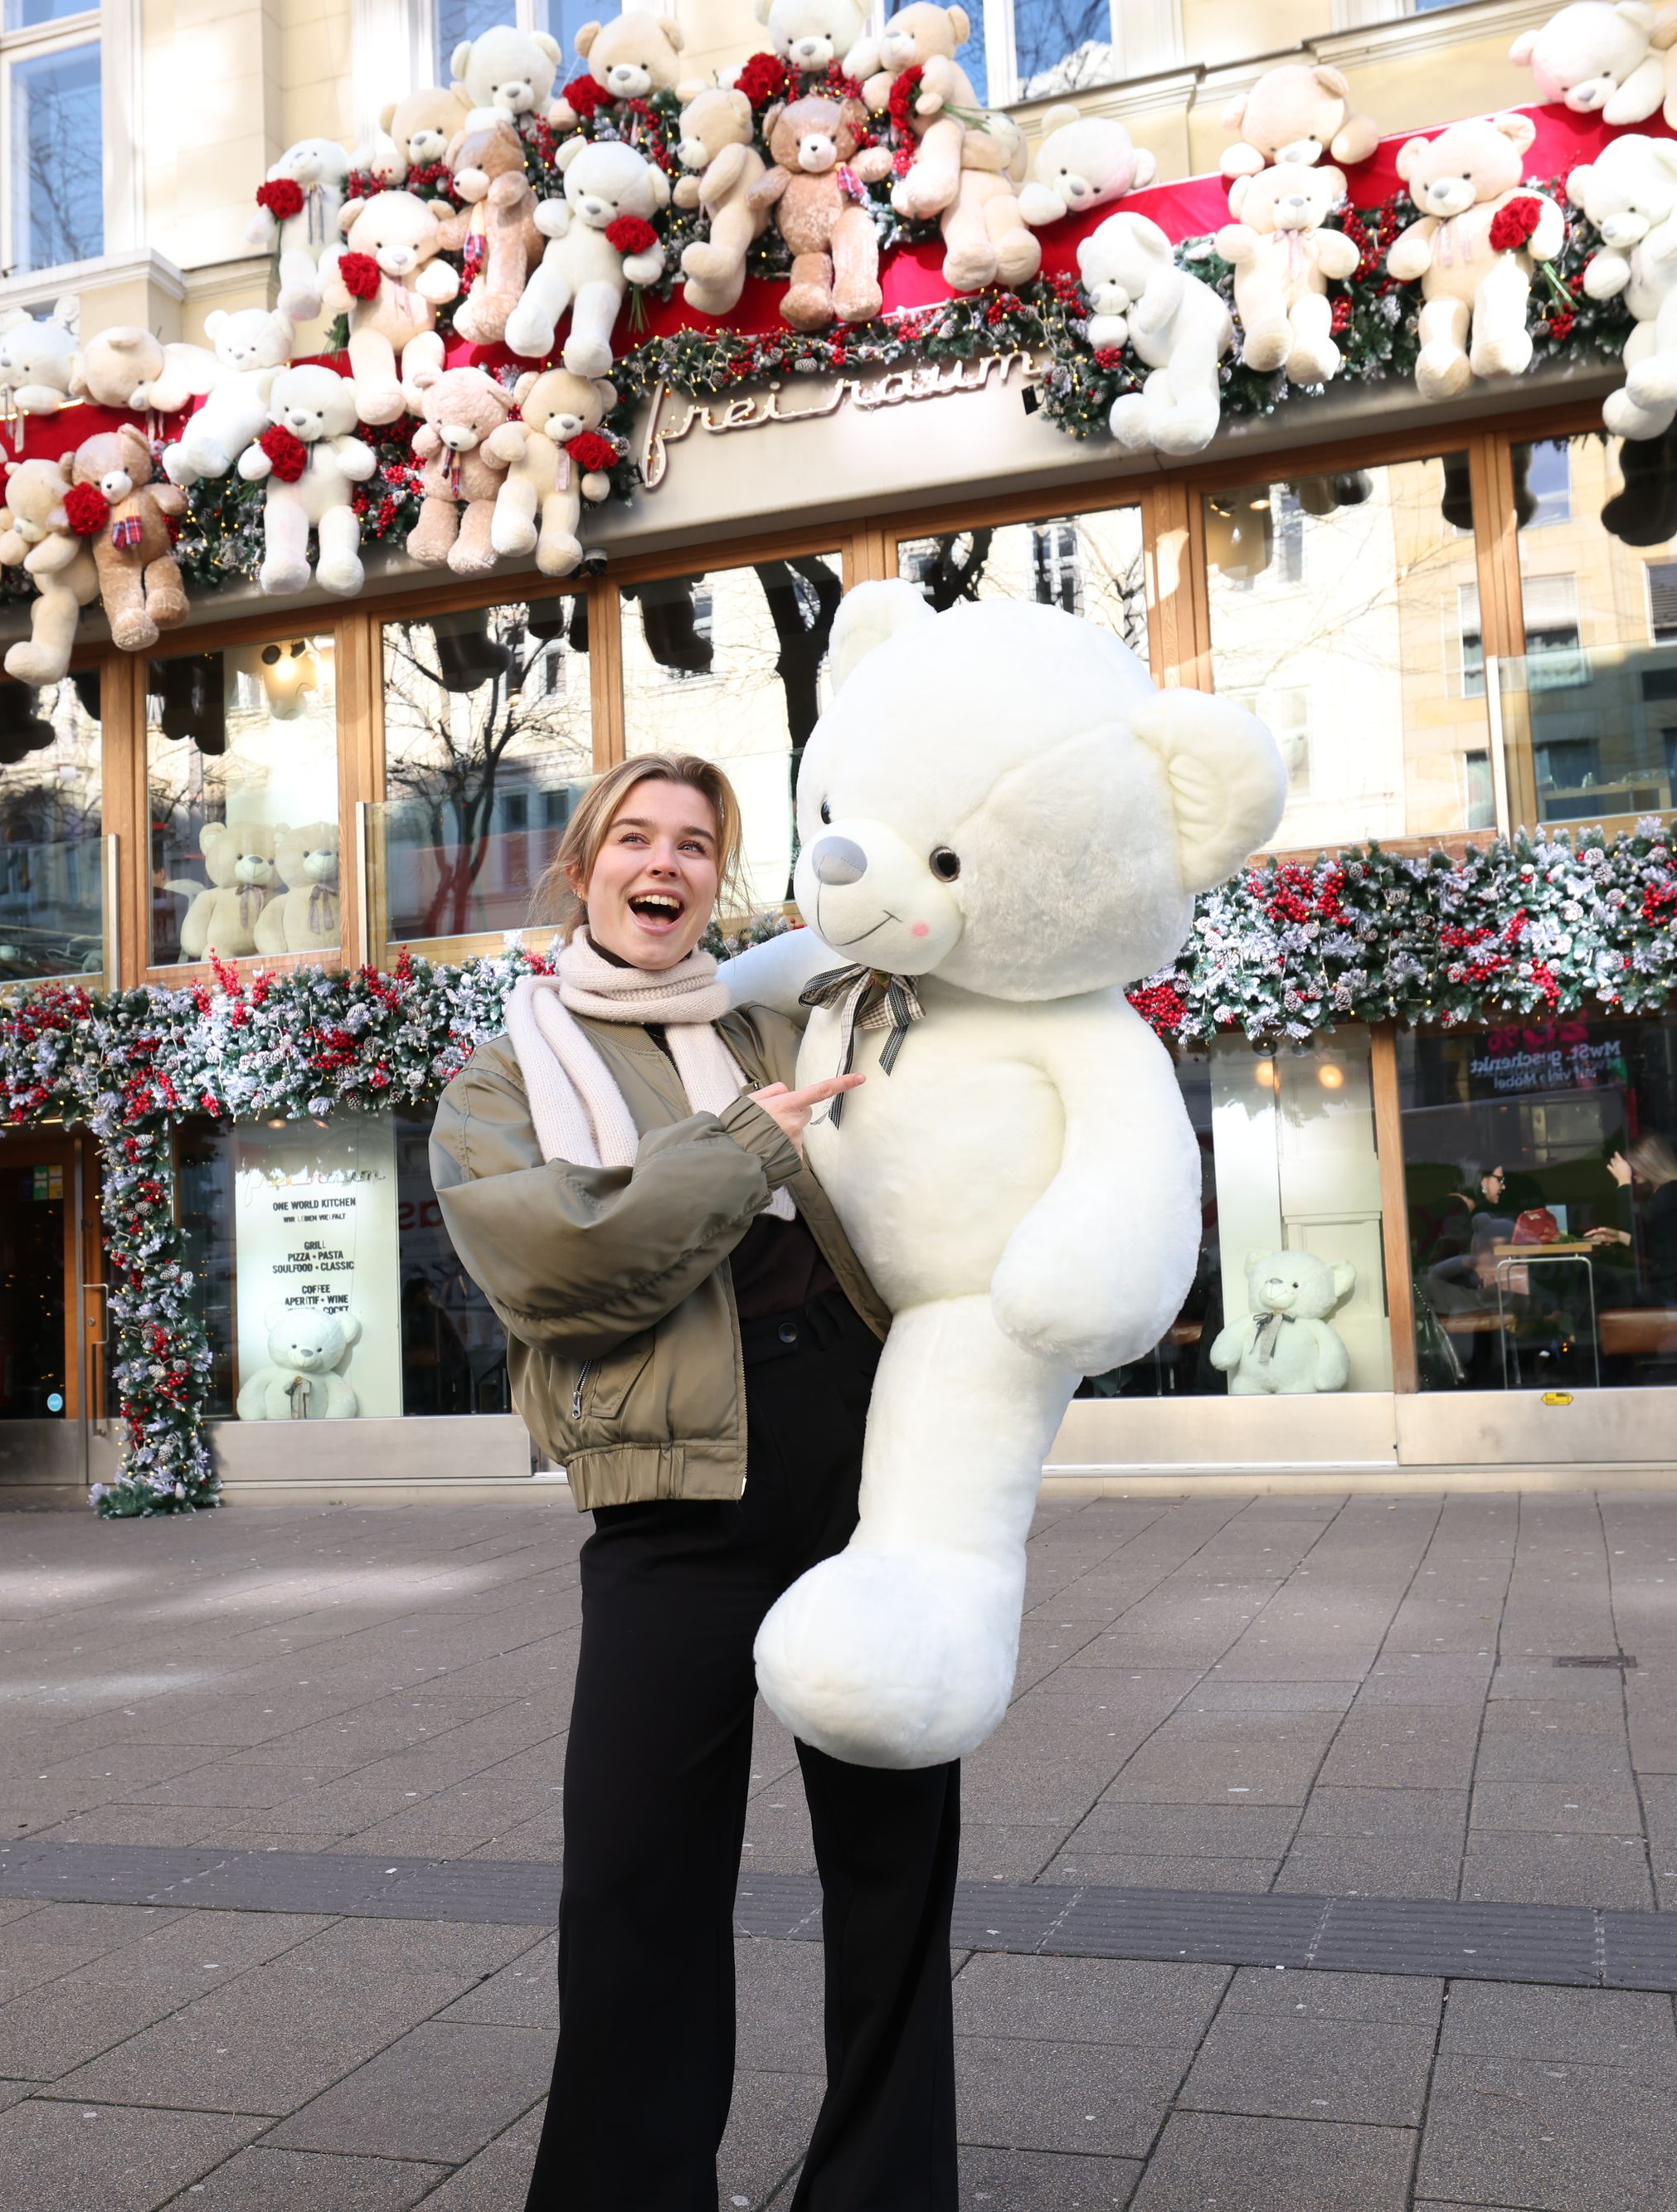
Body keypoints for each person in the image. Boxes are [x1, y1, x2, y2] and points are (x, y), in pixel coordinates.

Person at [430, 755, 957, 2212]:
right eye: (636, 838)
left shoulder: (781, 1013)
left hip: (864, 1477)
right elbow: (562, 1264)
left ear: (718, 877)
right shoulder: (501, 1077)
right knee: (634, 1887)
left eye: (697, 843)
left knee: (895, 1874)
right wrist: (742, 1143)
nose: (665, 864)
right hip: (674, 1507)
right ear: (586, 866)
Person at [1591, 1133, 1677, 1306]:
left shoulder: (1674, 1189)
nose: (1631, 1171)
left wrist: (1623, 1182)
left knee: (1603, 1303)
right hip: (1674, 1287)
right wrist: (1619, 1237)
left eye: (1633, 1166)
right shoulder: (1670, 1191)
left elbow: (1636, 1221)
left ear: (1648, 1164)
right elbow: (1656, 1243)